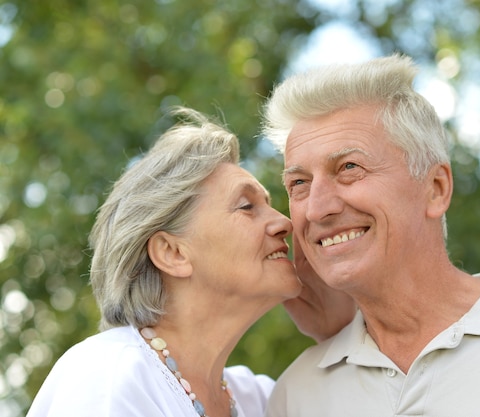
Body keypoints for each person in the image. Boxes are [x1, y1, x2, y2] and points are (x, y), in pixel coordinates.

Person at [261, 55, 480, 416]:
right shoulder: (296, 395)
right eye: (299, 183)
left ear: (435, 189)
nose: (317, 208)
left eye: (349, 167)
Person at [26, 107, 353, 417]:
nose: (284, 222)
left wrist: (336, 335)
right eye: (246, 206)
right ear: (173, 253)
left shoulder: (259, 398)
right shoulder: (107, 375)